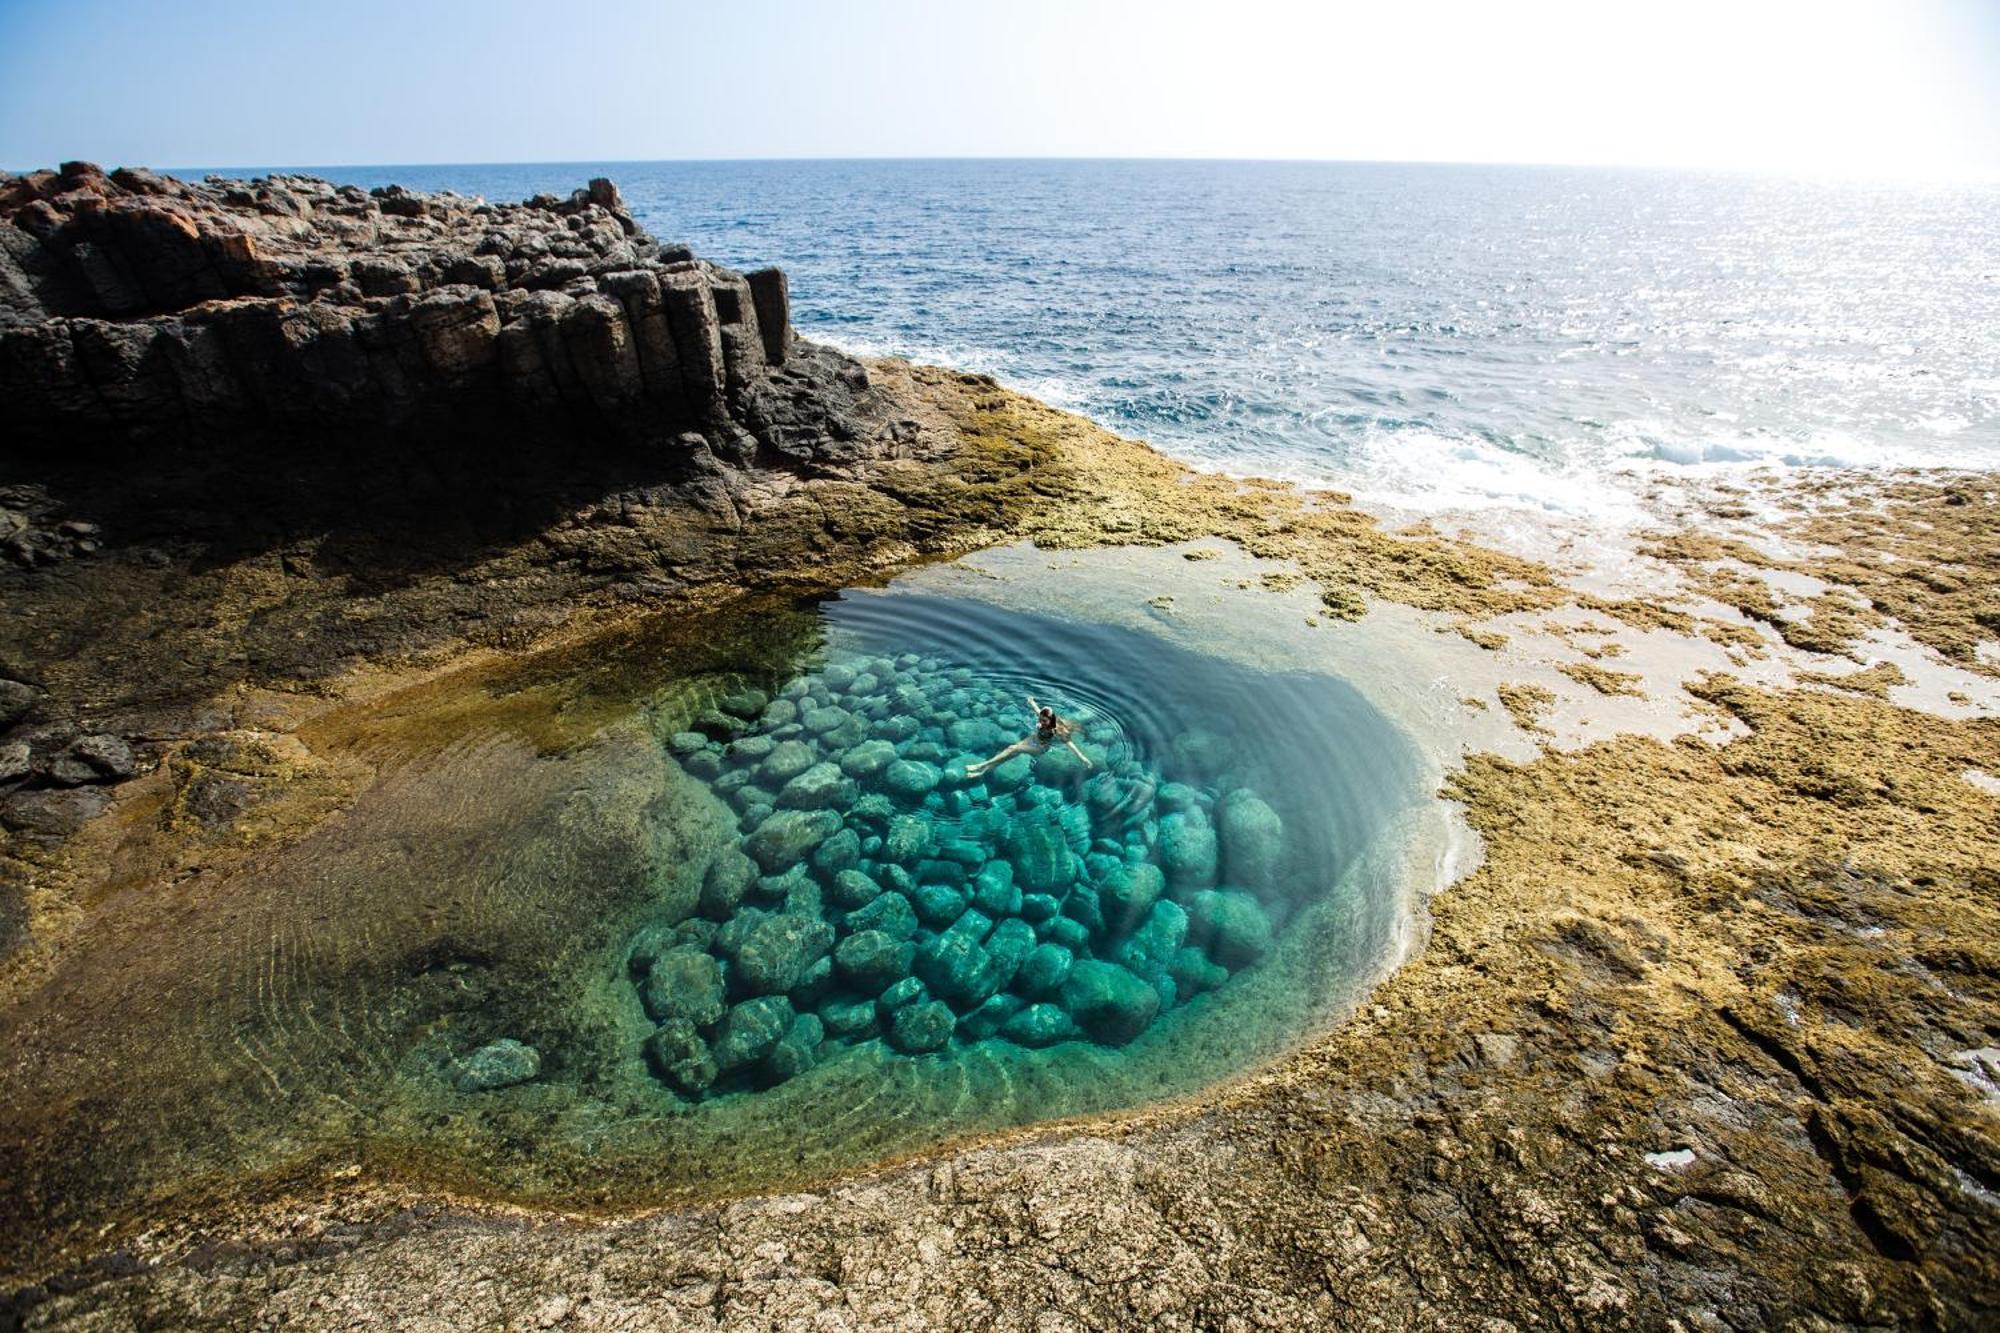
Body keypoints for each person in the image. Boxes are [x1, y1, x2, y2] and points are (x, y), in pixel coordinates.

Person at [965, 695, 1093, 778]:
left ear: (1050, 720)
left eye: (1043, 720)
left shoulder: (1057, 730)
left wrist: (1082, 758)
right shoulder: (1044, 717)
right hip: (1032, 739)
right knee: (1008, 755)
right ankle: (981, 773)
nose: (1041, 721)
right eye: (1041, 719)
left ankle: (980, 765)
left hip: (1040, 748)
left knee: (1011, 748)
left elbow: (1071, 745)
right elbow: (1036, 709)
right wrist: (1031, 701)